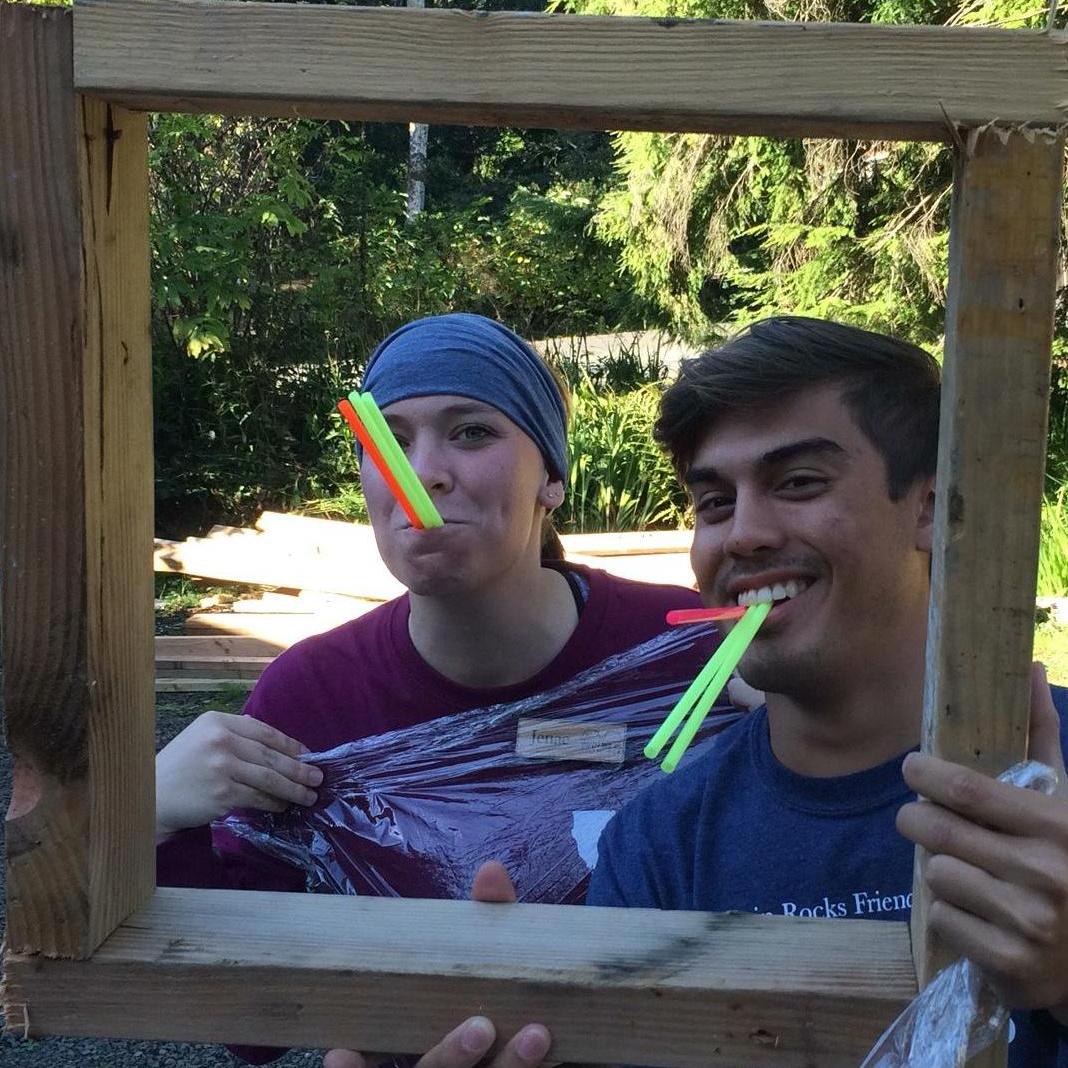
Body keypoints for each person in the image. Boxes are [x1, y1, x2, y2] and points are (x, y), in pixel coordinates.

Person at [154, 312, 747, 1066]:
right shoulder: (310, 698)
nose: (424, 471)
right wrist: (149, 817)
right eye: (390, 440)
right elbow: (253, 1023)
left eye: (470, 433)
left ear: (553, 477)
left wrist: (798, 713)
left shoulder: (690, 650)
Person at [585, 316, 1068, 1066]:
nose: (742, 535)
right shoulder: (659, 847)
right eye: (714, 502)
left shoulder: (1056, 783)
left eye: (798, 482)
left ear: (934, 508)